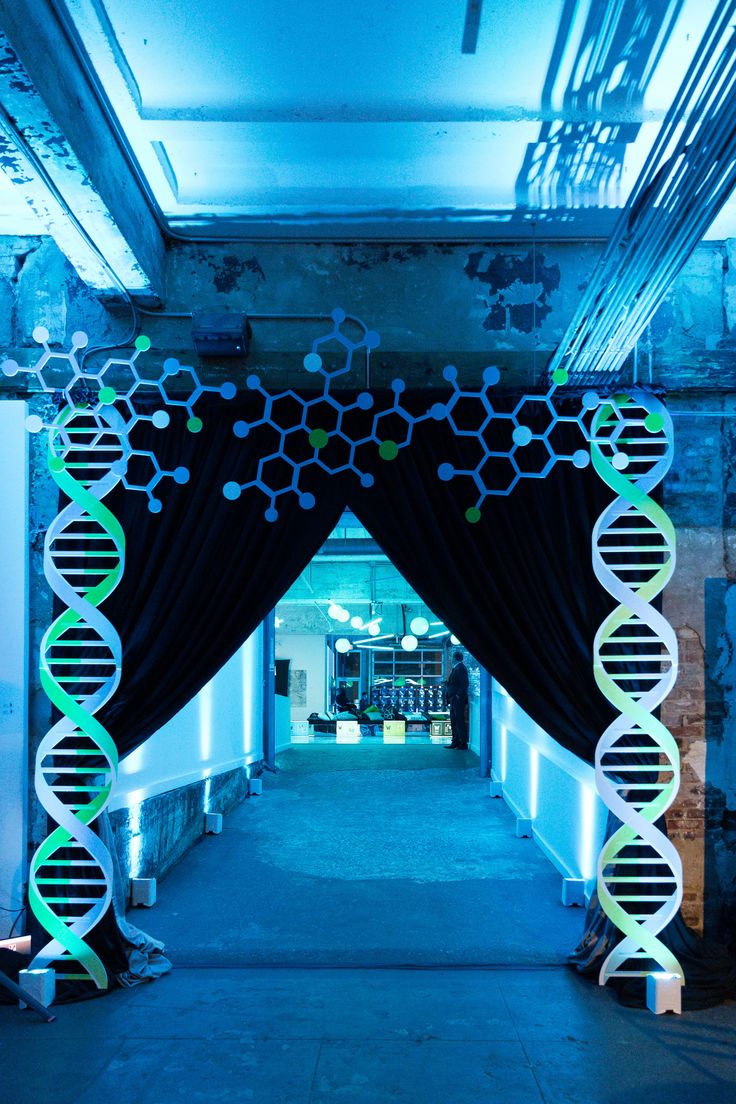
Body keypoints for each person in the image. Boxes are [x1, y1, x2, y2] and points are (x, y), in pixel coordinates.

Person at [444, 650, 469, 750]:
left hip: (457, 700)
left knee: (459, 721)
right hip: (454, 699)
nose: (450, 659)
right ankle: (456, 741)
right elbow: (457, 683)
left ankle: (462, 743)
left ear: (455, 658)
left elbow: (465, 683)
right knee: (455, 721)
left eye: (452, 658)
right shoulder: (458, 668)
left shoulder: (460, 668)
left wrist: (458, 696)